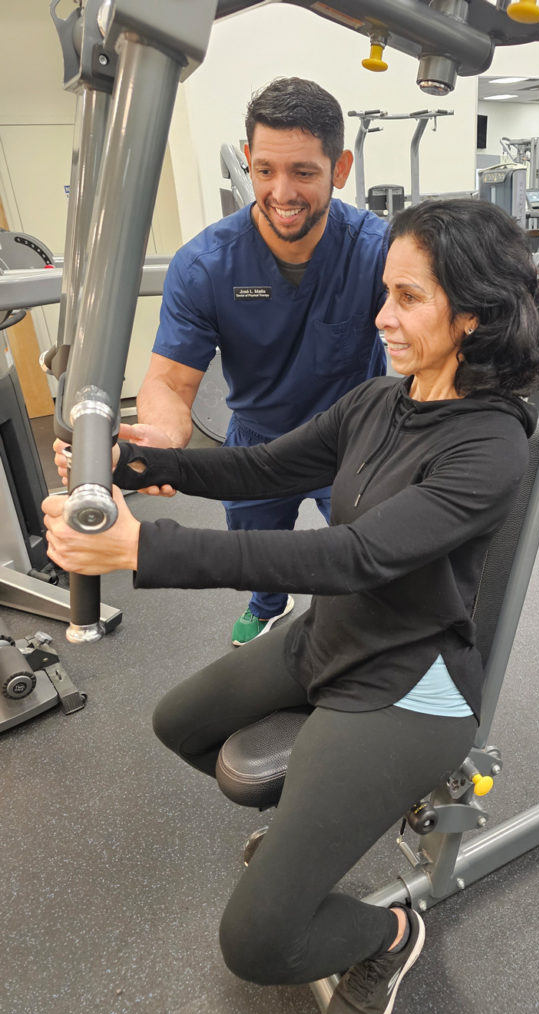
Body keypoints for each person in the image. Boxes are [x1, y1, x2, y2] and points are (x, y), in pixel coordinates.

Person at [44, 198, 539, 1014]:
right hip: (329, 638)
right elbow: (261, 468)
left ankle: (391, 936)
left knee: (255, 944)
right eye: (383, 293)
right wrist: (139, 465)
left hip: (408, 683)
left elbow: (352, 557)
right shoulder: (378, 404)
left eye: (409, 298)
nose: (382, 317)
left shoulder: (491, 445)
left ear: (473, 314)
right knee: (181, 724)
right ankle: (310, 840)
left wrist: (147, 549)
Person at [126, 77, 389, 645]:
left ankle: (362, 627)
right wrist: (161, 441)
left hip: (352, 441)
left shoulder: (379, 250)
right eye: (265, 169)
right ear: (247, 160)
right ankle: (269, 603)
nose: (281, 192)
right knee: (255, 551)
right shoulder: (204, 265)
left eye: (303, 172)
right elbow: (170, 381)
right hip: (259, 441)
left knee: (369, 559)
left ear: (339, 168)